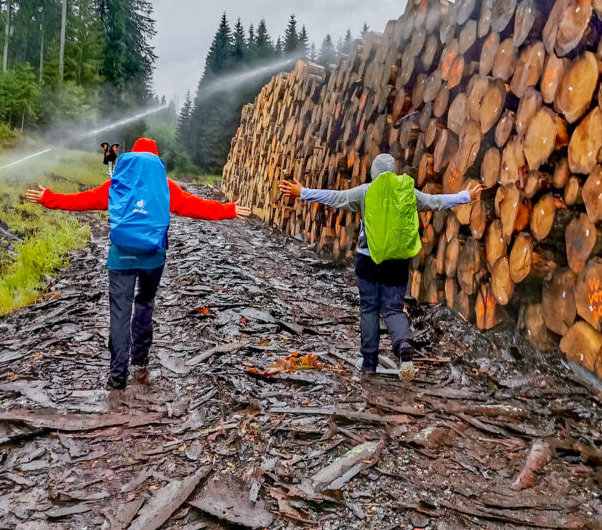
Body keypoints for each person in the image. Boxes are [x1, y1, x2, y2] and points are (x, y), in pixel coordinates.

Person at [26, 137, 251, 390]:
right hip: (153, 258)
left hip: (120, 257)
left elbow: (81, 201)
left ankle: (117, 375)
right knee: (144, 302)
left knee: (119, 313)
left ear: (132, 157)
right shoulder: (166, 187)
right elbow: (197, 206)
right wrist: (229, 210)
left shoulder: (117, 184)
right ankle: (140, 356)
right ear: (156, 160)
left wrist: (49, 198)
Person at [280, 153, 481, 380]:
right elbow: (436, 202)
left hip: (367, 260)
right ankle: (403, 347)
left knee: (369, 310)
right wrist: (466, 196)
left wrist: (303, 192)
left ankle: (369, 364)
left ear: (374, 172)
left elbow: (335, 197)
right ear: (393, 171)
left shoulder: (366, 191)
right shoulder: (407, 191)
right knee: (394, 309)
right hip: (396, 262)